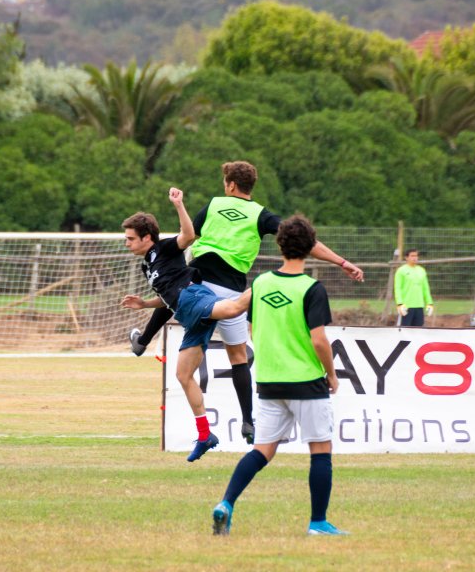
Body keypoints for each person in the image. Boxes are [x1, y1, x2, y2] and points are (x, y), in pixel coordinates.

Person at [129, 161, 363, 445]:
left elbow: (187, 233)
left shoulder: (215, 204)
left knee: (176, 288)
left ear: (230, 185)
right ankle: (248, 422)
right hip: (231, 288)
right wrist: (342, 261)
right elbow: (306, 242)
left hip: (200, 279)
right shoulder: (261, 215)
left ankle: (143, 340)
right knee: (238, 357)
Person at [212, 215, 348, 536]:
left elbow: (246, 324)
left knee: (262, 450)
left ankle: (226, 503)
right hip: (306, 382)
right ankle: (318, 523)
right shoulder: (312, 288)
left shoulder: (260, 284)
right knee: (320, 449)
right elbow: (318, 340)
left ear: (280, 245)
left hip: (269, 382)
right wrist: (331, 374)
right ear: (309, 248)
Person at [121, 187, 251, 462]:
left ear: (147, 237)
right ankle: (205, 436)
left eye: (130, 239)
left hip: (193, 298)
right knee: (182, 375)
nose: (127, 243)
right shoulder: (147, 265)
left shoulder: (164, 248)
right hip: (188, 313)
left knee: (234, 308)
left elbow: (189, 236)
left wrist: (179, 205)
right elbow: (165, 297)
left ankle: (268, 283)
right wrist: (145, 304)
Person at [394, 248, 434, 327]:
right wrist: (399, 303)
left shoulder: (421, 270)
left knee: (418, 330)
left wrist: (429, 303)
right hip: (406, 307)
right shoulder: (401, 270)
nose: (414, 258)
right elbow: (397, 288)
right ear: (406, 257)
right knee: (405, 330)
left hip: (419, 306)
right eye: (412, 256)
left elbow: (425, 288)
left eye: (416, 256)